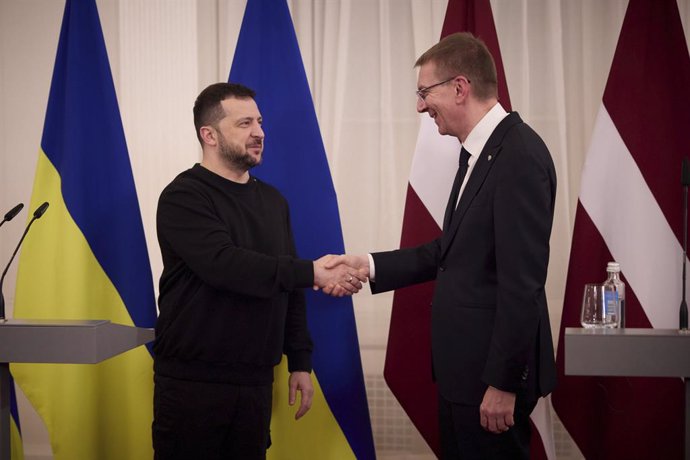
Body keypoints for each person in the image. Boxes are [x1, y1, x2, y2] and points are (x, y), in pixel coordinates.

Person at [328, 33, 557, 459]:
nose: (419, 107)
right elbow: (450, 252)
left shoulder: (518, 156)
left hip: (490, 382)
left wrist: (504, 383)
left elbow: (521, 284)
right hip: (466, 376)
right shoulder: (480, 154)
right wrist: (369, 264)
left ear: (459, 87)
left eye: (423, 92)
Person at [152, 82, 364, 460]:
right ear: (209, 135)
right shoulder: (183, 196)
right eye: (245, 123)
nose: (260, 133)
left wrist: (300, 360)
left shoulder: (273, 200)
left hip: (254, 383)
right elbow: (225, 265)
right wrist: (314, 272)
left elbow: (288, 287)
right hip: (192, 383)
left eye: (260, 122)